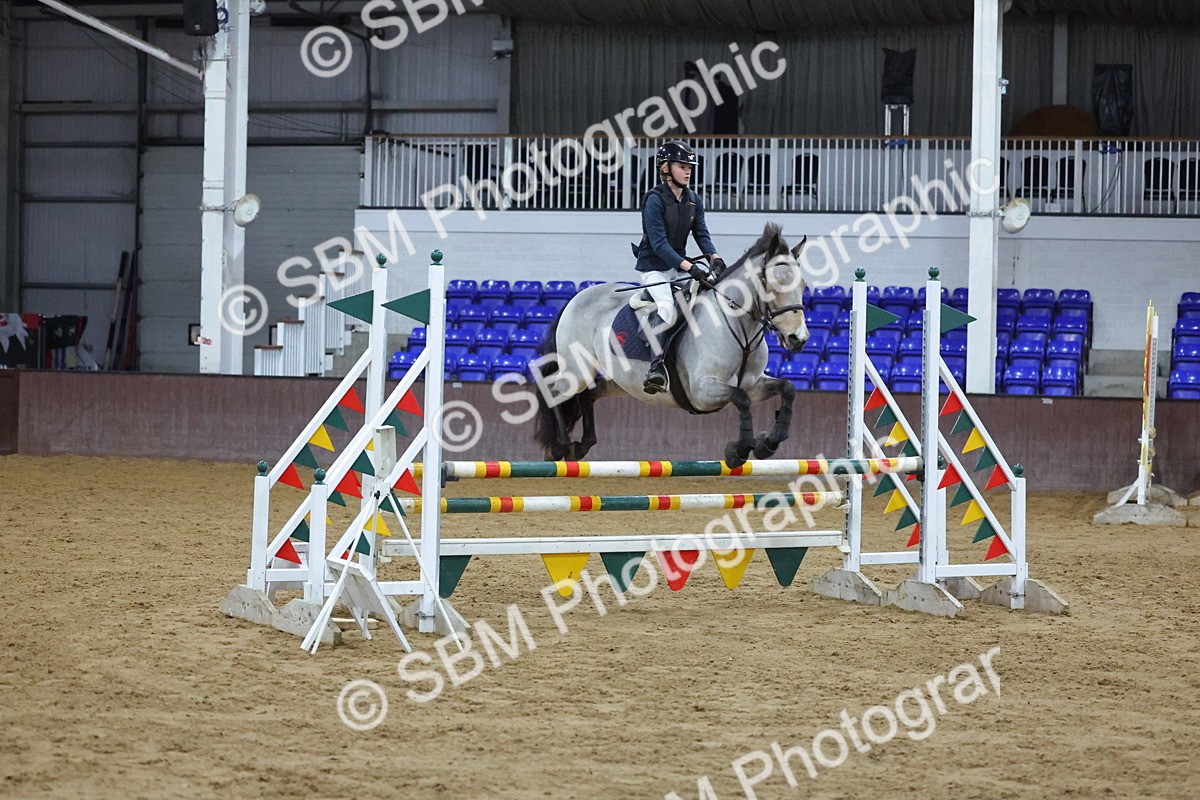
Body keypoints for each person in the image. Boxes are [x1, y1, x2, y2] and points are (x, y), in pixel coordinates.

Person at [632, 140, 726, 394]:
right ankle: (657, 366)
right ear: (665, 168)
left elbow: (702, 235)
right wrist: (690, 267)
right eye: (682, 166)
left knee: (708, 297)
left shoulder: (693, 200)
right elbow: (660, 245)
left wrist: (714, 258)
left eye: (690, 167)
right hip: (654, 267)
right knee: (666, 306)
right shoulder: (654, 200)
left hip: (679, 267)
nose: (688, 171)